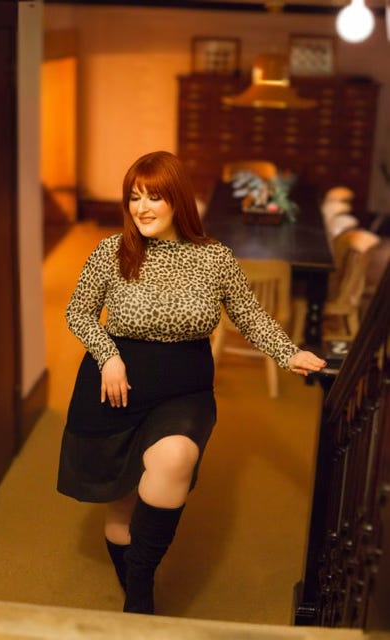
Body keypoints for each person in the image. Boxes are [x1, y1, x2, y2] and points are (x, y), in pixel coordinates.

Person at [57, 150, 326, 615]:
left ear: (178, 200)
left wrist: (289, 352)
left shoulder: (214, 257)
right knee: (122, 506)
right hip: (115, 388)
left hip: (184, 391)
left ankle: (140, 591)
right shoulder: (111, 251)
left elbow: (249, 315)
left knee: (176, 458)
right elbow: (78, 312)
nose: (142, 208)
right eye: (134, 197)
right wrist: (108, 356)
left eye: (154, 197)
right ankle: (133, 578)